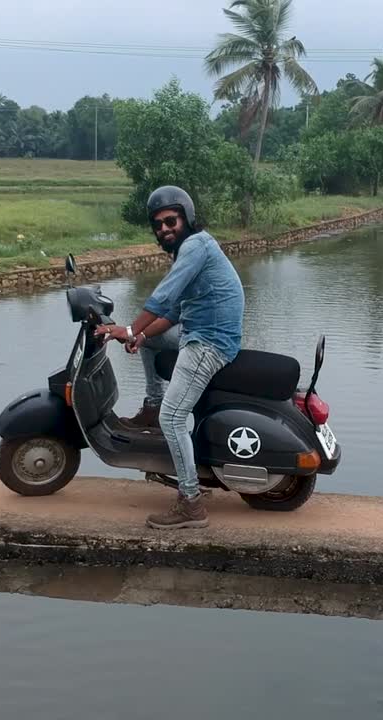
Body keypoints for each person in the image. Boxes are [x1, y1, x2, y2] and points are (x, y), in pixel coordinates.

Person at [94, 186, 244, 530]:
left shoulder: (195, 246)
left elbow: (162, 297)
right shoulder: (190, 250)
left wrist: (130, 330)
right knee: (150, 340)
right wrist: (142, 335)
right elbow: (174, 311)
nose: (164, 229)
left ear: (187, 218)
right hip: (196, 330)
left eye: (170, 221)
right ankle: (152, 404)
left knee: (174, 419)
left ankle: (190, 503)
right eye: (158, 225)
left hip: (209, 341)